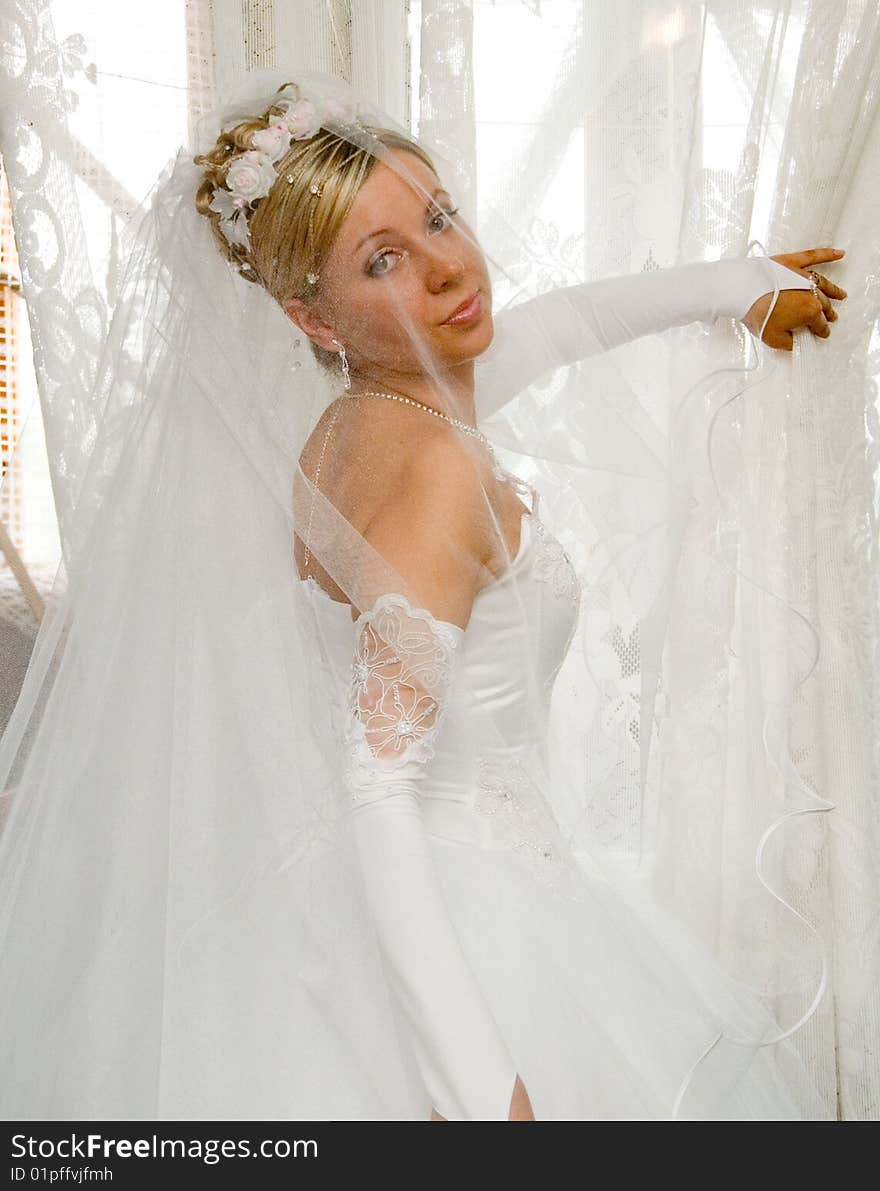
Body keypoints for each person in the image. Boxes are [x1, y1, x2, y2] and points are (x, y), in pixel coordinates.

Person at [0, 69, 847, 1121]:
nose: (451, 265)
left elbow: (564, 324)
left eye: (439, 215)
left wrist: (743, 281)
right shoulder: (436, 469)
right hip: (467, 922)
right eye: (385, 258)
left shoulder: (363, 417)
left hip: (347, 916)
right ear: (313, 317)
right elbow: (378, 794)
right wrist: (482, 1089)